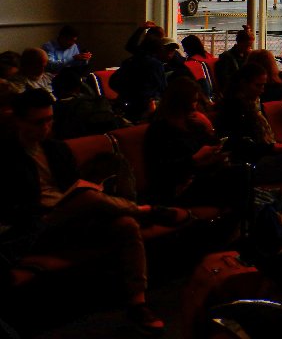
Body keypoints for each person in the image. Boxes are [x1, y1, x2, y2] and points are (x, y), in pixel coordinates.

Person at [0, 89, 165, 334]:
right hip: (39, 224)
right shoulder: (6, 156)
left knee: (126, 224)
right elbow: (11, 208)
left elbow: (74, 184)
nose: (45, 127)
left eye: (49, 120)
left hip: (72, 217)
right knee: (90, 198)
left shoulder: (56, 149)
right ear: (19, 121)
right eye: (38, 122)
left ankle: (137, 302)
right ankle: (146, 210)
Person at [143, 76, 244, 210]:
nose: (195, 106)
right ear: (180, 103)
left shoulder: (192, 123)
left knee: (240, 171)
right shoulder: (159, 129)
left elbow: (213, 145)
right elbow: (162, 169)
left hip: (200, 177)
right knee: (238, 179)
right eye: (193, 101)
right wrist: (195, 159)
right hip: (178, 187)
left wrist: (208, 127)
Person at [214, 63, 282, 186]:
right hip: (253, 164)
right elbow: (236, 144)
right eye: (258, 85)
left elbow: (263, 138)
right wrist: (271, 148)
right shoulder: (232, 108)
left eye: (263, 85)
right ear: (244, 84)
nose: (262, 90)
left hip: (265, 154)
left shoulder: (253, 104)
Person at [111, 34, 167, 122]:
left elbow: (112, 82)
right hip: (146, 106)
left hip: (126, 103)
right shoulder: (156, 65)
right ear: (158, 49)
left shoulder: (129, 61)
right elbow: (163, 88)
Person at [215, 26, 254, 97]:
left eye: (250, 46)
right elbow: (224, 79)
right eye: (247, 46)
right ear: (240, 43)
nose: (249, 48)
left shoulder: (246, 56)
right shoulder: (226, 57)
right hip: (233, 92)